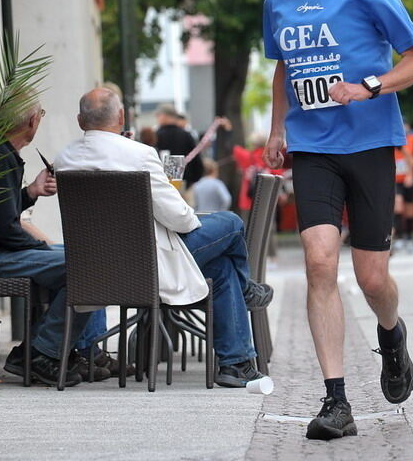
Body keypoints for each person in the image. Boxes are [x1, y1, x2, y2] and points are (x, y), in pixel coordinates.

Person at [262, 0, 413, 440]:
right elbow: (283, 67)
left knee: (372, 276)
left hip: (367, 144)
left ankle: (391, 334)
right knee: (317, 262)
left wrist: (371, 85)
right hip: (312, 148)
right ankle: (336, 400)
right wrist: (276, 128)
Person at [54, 88, 273, 388]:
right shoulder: (139, 155)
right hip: (150, 266)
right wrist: (188, 212)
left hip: (95, 272)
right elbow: (179, 219)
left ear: (80, 121)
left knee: (221, 270)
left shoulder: (64, 159)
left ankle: (237, 360)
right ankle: (240, 334)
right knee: (232, 223)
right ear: (121, 117)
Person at [0, 98, 97, 387]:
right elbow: (6, 231)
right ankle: (41, 353)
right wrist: (41, 248)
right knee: (90, 268)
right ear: (32, 121)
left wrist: (31, 192)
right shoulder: (0, 156)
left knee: (87, 259)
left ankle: (42, 350)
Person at [155, 104, 203, 187]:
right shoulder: (186, 135)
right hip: (185, 182)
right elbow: (197, 161)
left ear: (164, 116)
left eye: (158, 115)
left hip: (162, 184)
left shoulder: (156, 136)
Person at [393, 123, 413, 253]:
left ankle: (408, 237)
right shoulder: (390, 140)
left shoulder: (410, 141)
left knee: (409, 209)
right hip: (395, 180)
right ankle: (399, 236)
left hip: (407, 178)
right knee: (398, 205)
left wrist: (410, 174)